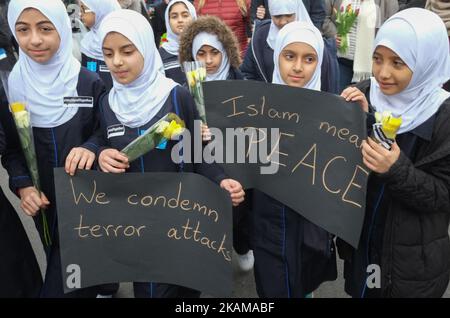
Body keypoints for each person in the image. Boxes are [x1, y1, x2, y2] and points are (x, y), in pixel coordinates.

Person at [97, 9, 245, 298]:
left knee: (187, 291)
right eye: (108, 53)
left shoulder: (176, 96)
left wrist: (220, 179)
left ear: (146, 49)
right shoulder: (106, 103)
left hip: (186, 224)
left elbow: (197, 152)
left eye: (127, 51)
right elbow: (98, 141)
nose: (117, 62)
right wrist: (101, 152)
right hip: (140, 230)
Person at [339, 8, 450, 297]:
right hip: (363, 245)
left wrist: (397, 168)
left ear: (426, 62)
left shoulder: (443, 116)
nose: (383, 73)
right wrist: (355, 120)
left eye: (398, 62)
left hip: (411, 262)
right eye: (377, 58)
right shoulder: (364, 93)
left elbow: (443, 194)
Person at [3, 0, 106, 297]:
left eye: (45, 28)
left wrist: (90, 147)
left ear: (62, 27)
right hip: (44, 205)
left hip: (87, 204)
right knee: (59, 258)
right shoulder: (11, 87)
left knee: (67, 281)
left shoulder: (87, 82)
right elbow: (11, 150)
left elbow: (106, 132)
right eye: (23, 30)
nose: (34, 39)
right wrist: (24, 187)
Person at [251, 21, 337, 298]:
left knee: (302, 285)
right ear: (277, 57)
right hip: (267, 227)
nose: (298, 67)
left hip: (310, 232)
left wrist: (361, 120)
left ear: (320, 62)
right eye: (290, 56)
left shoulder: (332, 115)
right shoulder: (254, 107)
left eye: (309, 59)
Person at [178, 15, 253, 271]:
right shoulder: (185, 90)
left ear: (226, 52)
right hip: (202, 167)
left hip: (235, 162)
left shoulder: (241, 84)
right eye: (201, 53)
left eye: (214, 53)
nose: (208, 61)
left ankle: (242, 245)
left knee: (239, 213)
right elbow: (175, 132)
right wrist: (191, 132)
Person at [241, 0, 340, 94]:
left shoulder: (317, 45)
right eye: (277, 16)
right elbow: (247, 74)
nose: (283, 22)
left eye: (309, 59)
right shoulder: (260, 38)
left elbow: (329, 87)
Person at [322, 0, 399, 91]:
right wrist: (334, 35)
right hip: (341, 60)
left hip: (370, 66)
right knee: (337, 99)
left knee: (361, 100)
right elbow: (324, 17)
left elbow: (392, 24)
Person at [79, 0, 121, 91]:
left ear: (100, 10)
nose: (80, 14)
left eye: (84, 9)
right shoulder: (88, 41)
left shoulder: (121, 41)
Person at [159, 0, 197, 85]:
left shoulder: (200, 48)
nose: (180, 20)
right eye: (174, 16)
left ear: (193, 17)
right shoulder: (161, 54)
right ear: (168, 21)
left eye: (185, 15)